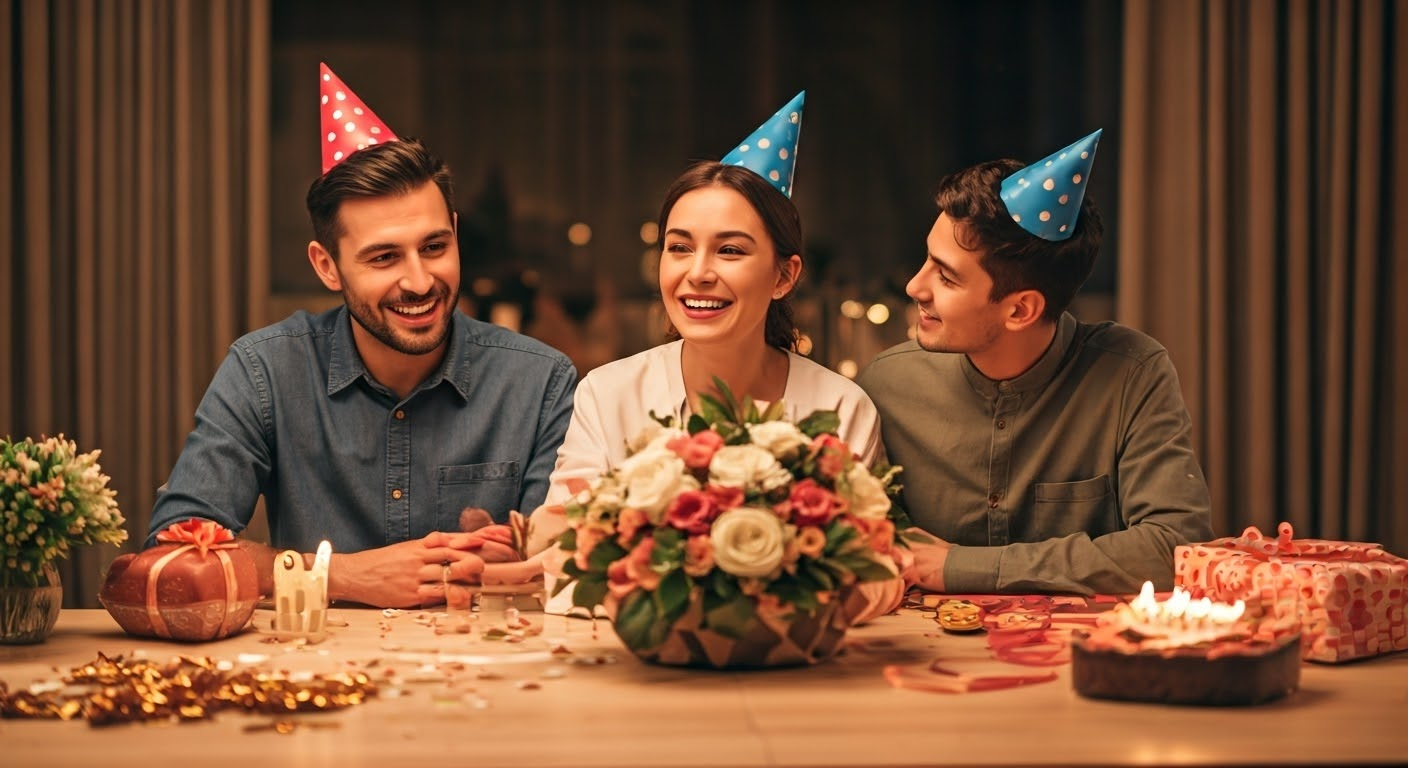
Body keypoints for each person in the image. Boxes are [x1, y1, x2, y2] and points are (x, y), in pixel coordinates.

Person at [146, 64, 577, 608]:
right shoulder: (266, 370)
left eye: (435, 247)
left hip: (487, 671)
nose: (419, 281)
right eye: (383, 257)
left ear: (457, 235)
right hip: (309, 676)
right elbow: (173, 552)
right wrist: (339, 575)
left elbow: (560, 566)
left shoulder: (540, 381)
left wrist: (512, 564)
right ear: (327, 267)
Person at [524, 94, 900, 619]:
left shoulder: (841, 407)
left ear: (784, 276)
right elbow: (557, 551)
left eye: (730, 250)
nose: (697, 272)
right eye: (679, 247)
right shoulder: (608, 393)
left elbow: (873, 573)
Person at [858, 130, 1214, 596]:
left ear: (1020, 310)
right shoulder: (887, 384)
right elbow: (864, 543)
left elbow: (1175, 548)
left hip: (1080, 657)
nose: (915, 287)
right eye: (927, 259)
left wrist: (962, 566)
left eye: (946, 277)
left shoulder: (1131, 372)